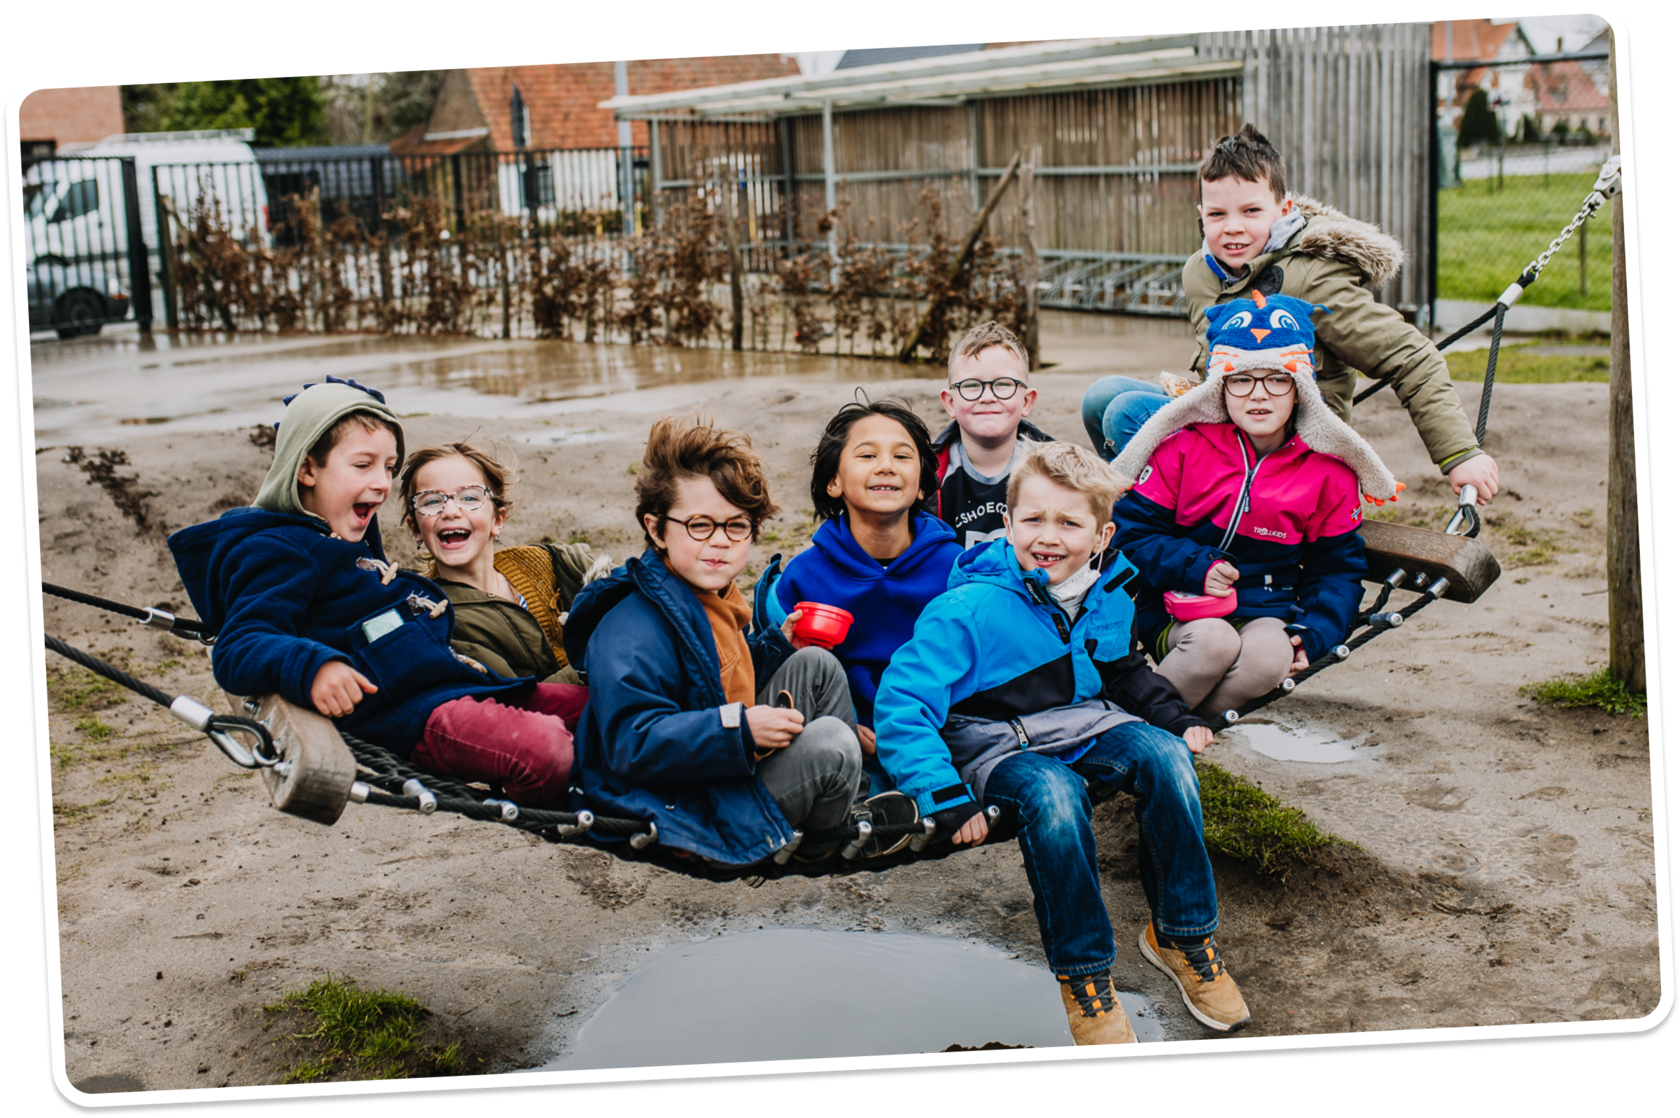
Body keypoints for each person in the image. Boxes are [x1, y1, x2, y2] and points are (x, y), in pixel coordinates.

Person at [872, 441, 1244, 1045]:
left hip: (1081, 723)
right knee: (1056, 794)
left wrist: (1173, 719)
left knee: (1166, 758)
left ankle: (1180, 933)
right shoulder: (968, 608)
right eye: (1034, 519)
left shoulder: (1106, 591)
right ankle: (1086, 977)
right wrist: (940, 791)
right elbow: (902, 702)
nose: (1049, 537)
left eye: (1069, 523)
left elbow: (1124, 671)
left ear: (1101, 536)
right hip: (997, 746)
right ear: (1008, 522)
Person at [167, 378, 584, 807]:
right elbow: (238, 645)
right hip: (413, 713)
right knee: (545, 746)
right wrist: (314, 666)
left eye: (388, 467)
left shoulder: (336, 533)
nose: (384, 483)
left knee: (600, 705)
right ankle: (573, 810)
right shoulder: (279, 550)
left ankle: (626, 784)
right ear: (307, 469)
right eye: (363, 465)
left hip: (450, 683)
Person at [1081, 123, 1500, 506]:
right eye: (1216, 215)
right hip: (1232, 425)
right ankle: (1140, 512)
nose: (1232, 228)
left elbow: (1411, 357)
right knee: (1101, 397)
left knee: (1126, 411)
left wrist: (1459, 454)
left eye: (1250, 211)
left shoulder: (1311, 277)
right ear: (1201, 215)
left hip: (1293, 448)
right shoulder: (1200, 273)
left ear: (1284, 210)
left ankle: (1178, 521)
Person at [561, 414, 871, 866]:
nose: (720, 542)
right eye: (699, 525)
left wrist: (778, 649)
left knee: (819, 668)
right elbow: (631, 743)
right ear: (655, 528)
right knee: (833, 744)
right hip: (682, 804)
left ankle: (857, 808)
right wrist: (741, 730)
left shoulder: (712, 596)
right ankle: (819, 844)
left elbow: (715, 683)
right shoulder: (632, 625)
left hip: (716, 764)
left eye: (736, 526)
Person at [1111, 290, 1400, 720]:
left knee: (1269, 659)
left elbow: (1337, 567)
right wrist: (1195, 565)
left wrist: (1318, 629)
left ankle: (1163, 727)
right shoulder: (1183, 449)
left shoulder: (1329, 473)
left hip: (1267, 603)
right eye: (1241, 379)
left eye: (1277, 379)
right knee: (1214, 643)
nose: (1258, 395)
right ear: (1219, 389)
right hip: (1177, 600)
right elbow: (1131, 534)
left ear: (1301, 390)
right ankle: (1127, 732)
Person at [752, 397, 963, 810]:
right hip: (843, 738)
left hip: (934, 734)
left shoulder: (955, 569)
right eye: (867, 455)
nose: (886, 465)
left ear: (922, 484)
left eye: (902, 456)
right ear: (834, 482)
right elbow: (782, 681)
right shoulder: (804, 576)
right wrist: (848, 726)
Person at [399, 442, 611, 687]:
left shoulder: (539, 561)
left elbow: (636, 580)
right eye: (432, 501)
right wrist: (599, 648)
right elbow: (525, 701)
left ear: (497, 520)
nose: (450, 510)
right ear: (415, 527)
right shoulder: (440, 622)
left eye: (469, 497)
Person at [928, 320, 1056, 549]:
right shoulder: (926, 474)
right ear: (950, 403)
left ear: (1027, 401)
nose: (987, 396)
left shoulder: (1058, 470)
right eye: (971, 385)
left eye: (1004, 384)